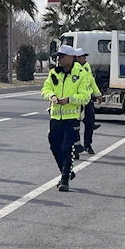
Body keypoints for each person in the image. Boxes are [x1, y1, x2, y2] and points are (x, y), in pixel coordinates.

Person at [41, 45, 91, 192]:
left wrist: (70, 100)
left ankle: (64, 179)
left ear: (70, 58)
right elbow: (45, 89)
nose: (58, 59)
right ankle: (67, 171)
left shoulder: (81, 74)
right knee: (54, 145)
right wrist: (52, 96)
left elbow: (85, 97)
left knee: (67, 147)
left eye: (61, 57)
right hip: (55, 116)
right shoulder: (53, 73)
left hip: (72, 118)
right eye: (57, 57)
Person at [73, 48, 101, 155]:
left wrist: (97, 94)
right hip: (75, 100)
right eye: (83, 57)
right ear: (77, 58)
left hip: (87, 99)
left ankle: (87, 144)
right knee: (75, 125)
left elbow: (91, 81)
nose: (85, 58)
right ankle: (75, 148)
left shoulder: (86, 66)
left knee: (90, 123)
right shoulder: (73, 68)